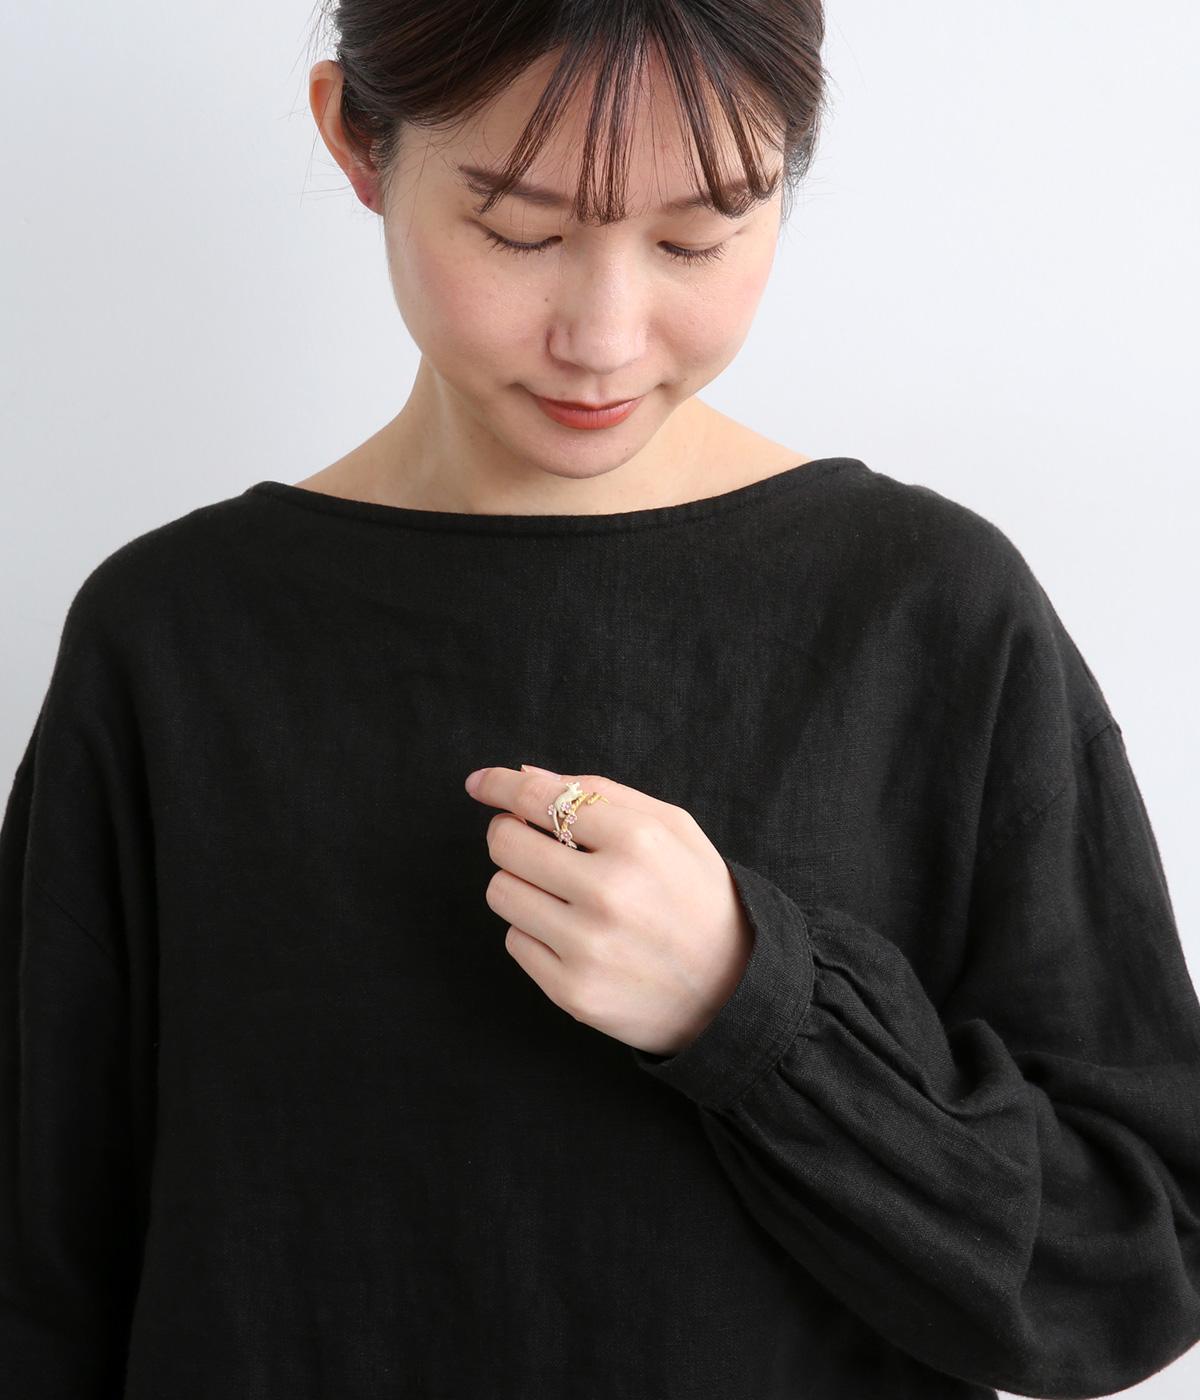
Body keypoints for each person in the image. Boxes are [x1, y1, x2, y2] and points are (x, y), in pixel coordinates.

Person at [3, 3, 1199, 1397]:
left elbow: (1140, 1257)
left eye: (698, 237)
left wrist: (757, 1011)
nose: (605, 337)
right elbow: (37, 1284)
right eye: (519, 230)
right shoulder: (172, 639)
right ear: (358, 140)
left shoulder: (929, 614)